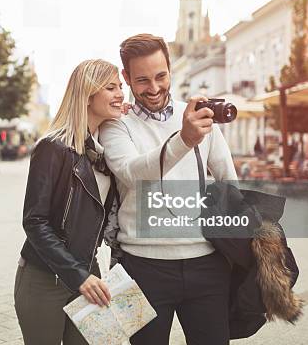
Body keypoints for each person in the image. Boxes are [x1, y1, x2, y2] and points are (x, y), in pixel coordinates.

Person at [100, 34, 237, 345]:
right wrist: (184, 140)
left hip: (207, 264)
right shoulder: (116, 125)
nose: (154, 88)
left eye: (161, 76)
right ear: (126, 78)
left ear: (170, 69)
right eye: (142, 80)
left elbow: (229, 180)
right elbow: (132, 172)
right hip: (140, 267)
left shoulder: (198, 115)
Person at [15, 59, 124, 345]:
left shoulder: (104, 152)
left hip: (89, 274)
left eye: (121, 87)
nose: (120, 94)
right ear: (87, 94)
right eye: (111, 87)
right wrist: (77, 276)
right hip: (44, 279)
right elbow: (34, 222)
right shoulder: (52, 147)